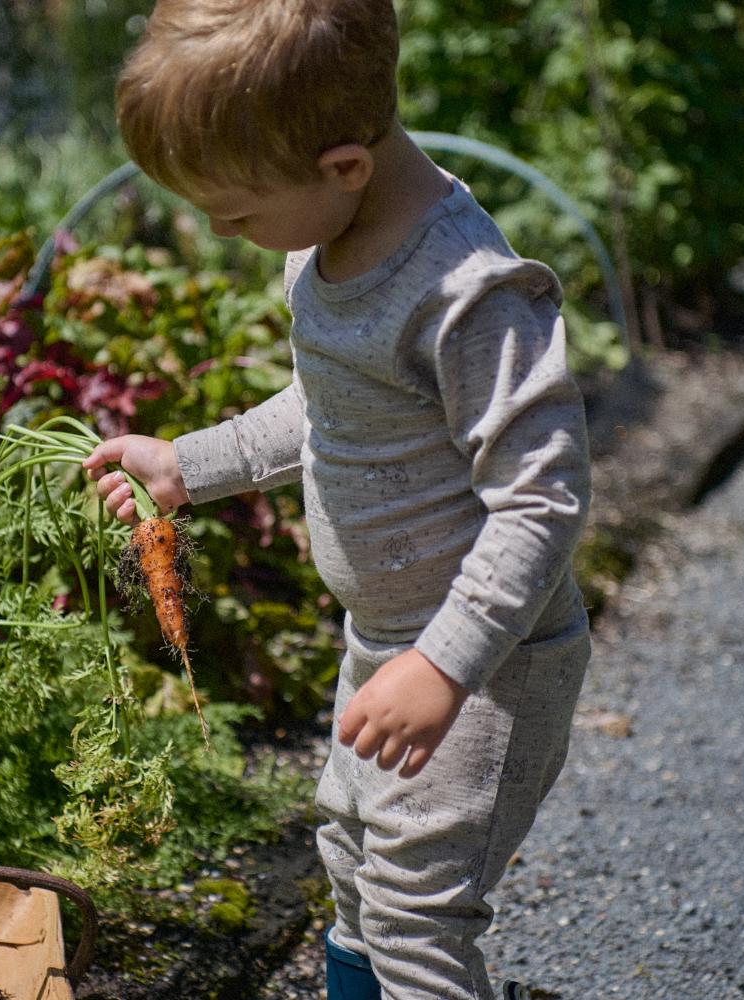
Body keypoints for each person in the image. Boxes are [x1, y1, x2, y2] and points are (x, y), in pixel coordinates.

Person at [83, 2, 592, 997]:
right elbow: (328, 404)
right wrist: (194, 462)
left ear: (344, 167)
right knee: (353, 868)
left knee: (416, 918)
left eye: (235, 212)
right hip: (384, 647)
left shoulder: (468, 292)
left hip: (483, 666)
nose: (227, 236)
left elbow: (542, 498)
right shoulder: (321, 241)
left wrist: (441, 668)